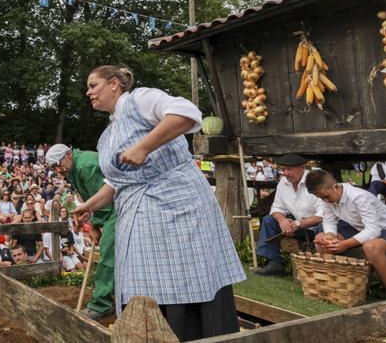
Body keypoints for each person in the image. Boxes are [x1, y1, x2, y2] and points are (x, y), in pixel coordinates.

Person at [73, 65, 244, 341]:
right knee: (146, 282)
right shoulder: (108, 134)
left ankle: (193, 334)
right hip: (140, 214)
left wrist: (144, 146)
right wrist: (90, 205)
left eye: (93, 85)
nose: (88, 92)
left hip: (178, 207)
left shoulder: (140, 99)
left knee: (184, 276)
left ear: (114, 83)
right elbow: (117, 181)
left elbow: (187, 113)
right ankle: (152, 334)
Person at [308, 169, 386, 299]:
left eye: (326, 196)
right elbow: (329, 221)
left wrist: (345, 244)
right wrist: (330, 236)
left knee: (371, 247)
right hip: (363, 229)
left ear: (336, 187)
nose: (325, 200)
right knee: (322, 239)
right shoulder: (327, 197)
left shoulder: (358, 197)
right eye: (321, 198)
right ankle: (336, 290)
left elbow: (373, 230)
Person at [45, 143, 117, 320]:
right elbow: (92, 200)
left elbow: (105, 199)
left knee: (108, 254)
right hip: (110, 209)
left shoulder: (85, 165)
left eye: (57, 164)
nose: (57, 170)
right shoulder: (75, 168)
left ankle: (101, 304)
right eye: (53, 168)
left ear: (68, 154)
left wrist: (95, 225)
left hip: (117, 208)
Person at [253, 154, 325, 276]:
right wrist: (282, 221)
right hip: (297, 227)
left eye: (289, 169)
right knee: (269, 220)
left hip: (317, 228)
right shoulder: (283, 182)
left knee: (324, 227)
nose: (286, 173)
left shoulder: (316, 181)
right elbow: (276, 207)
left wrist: (298, 224)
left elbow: (323, 215)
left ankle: (322, 267)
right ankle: (274, 264)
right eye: (283, 169)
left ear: (302, 167)